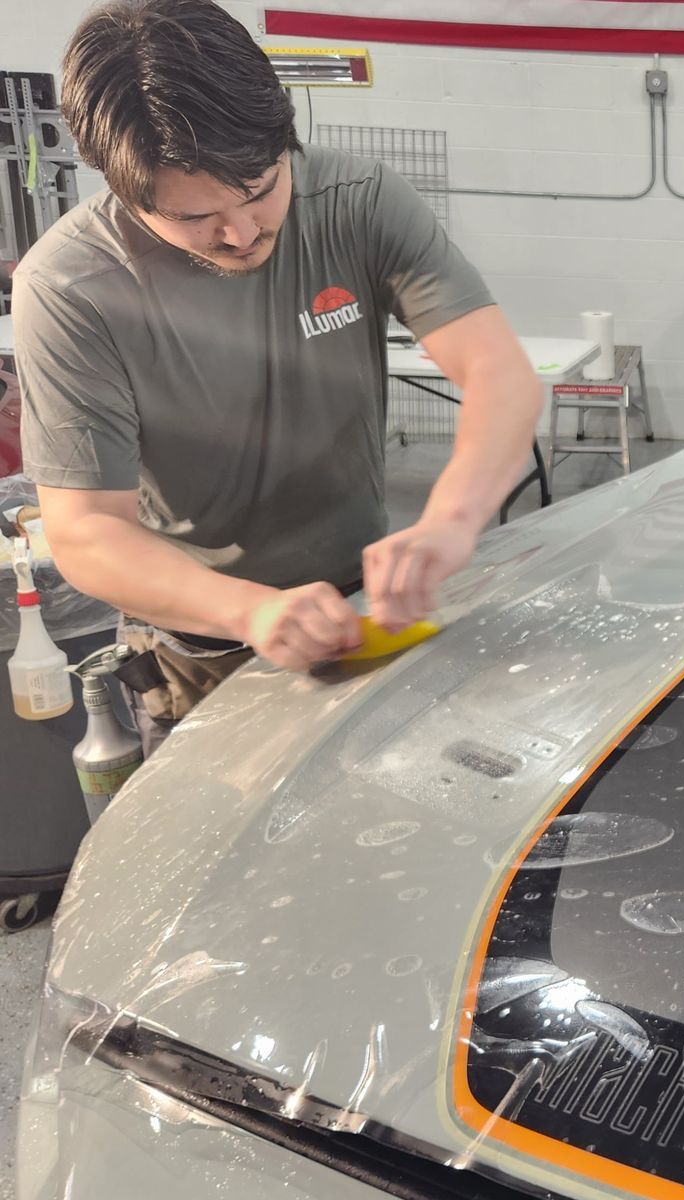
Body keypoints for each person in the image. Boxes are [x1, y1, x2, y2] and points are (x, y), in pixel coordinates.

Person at [13, 0, 544, 751]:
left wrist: (450, 522)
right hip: (199, 644)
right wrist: (251, 611)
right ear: (126, 192)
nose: (240, 233)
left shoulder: (357, 202)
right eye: (194, 218)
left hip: (367, 607)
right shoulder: (71, 288)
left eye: (260, 187)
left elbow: (499, 375)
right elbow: (88, 530)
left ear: (284, 136)